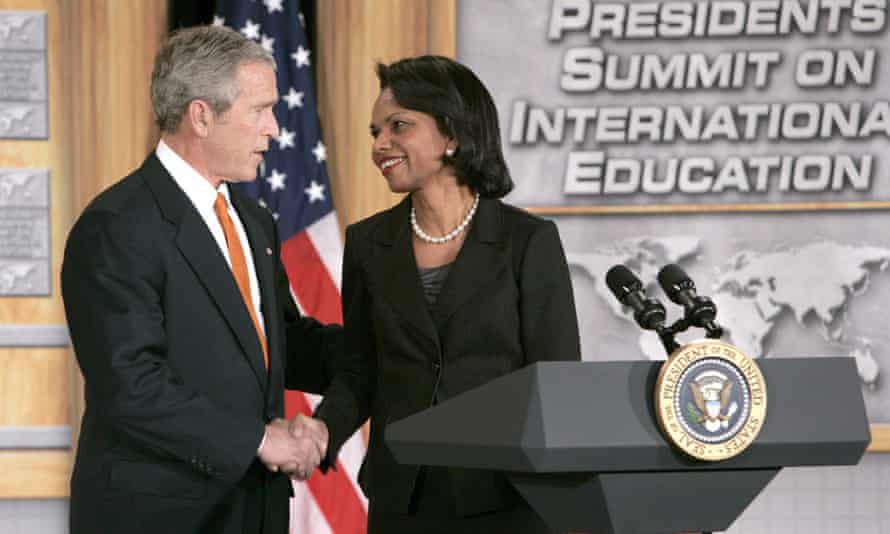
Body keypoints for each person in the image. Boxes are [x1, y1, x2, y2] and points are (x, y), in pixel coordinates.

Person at [62, 26, 335, 534]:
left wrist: (388, 347)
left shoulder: (254, 222)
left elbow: (279, 348)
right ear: (202, 115)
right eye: (260, 109)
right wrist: (259, 440)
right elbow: (130, 384)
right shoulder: (117, 225)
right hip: (160, 516)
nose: (274, 129)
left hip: (253, 510)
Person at [314, 55, 582, 534]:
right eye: (375, 131)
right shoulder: (368, 243)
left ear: (454, 135)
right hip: (403, 499)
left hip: (508, 498)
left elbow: (557, 382)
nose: (380, 144)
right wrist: (319, 433)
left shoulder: (528, 241)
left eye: (399, 126)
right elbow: (359, 369)